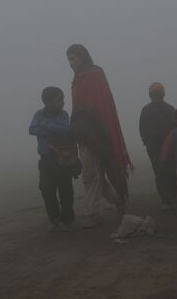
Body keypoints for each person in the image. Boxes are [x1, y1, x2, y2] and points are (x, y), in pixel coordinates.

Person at [67, 44, 132, 228]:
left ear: (83, 56)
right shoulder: (76, 80)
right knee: (92, 175)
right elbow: (77, 108)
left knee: (98, 174)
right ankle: (116, 202)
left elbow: (102, 103)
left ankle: (92, 212)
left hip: (100, 130)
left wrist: (99, 129)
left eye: (74, 58)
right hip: (83, 133)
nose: (71, 63)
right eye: (69, 60)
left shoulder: (95, 74)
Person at [28, 86, 75, 232]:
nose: (63, 102)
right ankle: (54, 220)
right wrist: (53, 127)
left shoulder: (63, 115)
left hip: (62, 159)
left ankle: (67, 221)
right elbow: (31, 129)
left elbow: (65, 129)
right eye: (60, 99)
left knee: (65, 190)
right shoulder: (38, 114)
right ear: (48, 102)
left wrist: (44, 126)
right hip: (45, 159)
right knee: (47, 190)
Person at [139, 82, 177, 211]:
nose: (155, 96)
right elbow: (142, 128)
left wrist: (173, 142)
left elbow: (175, 127)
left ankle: (172, 196)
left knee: (170, 171)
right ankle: (166, 199)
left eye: (157, 94)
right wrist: (147, 142)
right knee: (160, 173)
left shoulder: (169, 109)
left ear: (162, 94)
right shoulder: (146, 110)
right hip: (153, 146)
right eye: (153, 94)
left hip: (168, 145)